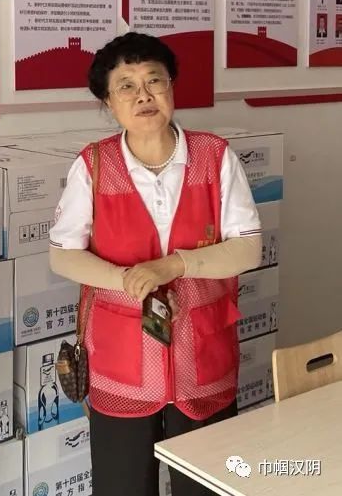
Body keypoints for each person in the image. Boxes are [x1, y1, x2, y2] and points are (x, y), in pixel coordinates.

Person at [50, 32, 262, 496]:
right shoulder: (94, 165)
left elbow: (248, 249)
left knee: (207, 485)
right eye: (126, 86)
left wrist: (173, 266)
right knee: (123, 486)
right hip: (120, 361)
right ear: (108, 102)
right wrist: (124, 278)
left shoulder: (215, 157)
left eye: (154, 80)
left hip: (202, 357)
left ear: (172, 87)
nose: (143, 95)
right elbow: (63, 254)